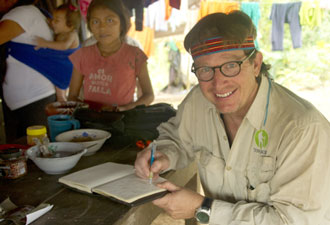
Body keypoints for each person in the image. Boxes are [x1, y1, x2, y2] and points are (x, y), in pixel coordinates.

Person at [134, 11, 330, 224]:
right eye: (205, 70)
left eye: (230, 66)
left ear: (255, 64)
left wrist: (203, 209)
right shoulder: (198, 102)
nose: (218, 83)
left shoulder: (302, 128)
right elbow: (178, 138)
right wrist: (164, 154)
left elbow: (292, 221)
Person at [67, 0, 154, 112]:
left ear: (122, 23)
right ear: (89, 25)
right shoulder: (82, 55)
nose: (102, 27)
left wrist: (122, 109)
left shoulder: (135, 55)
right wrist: (91, 111)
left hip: (124, 121)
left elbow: (149, 95)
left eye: (110, 20)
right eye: (95, 22)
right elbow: (72, 96)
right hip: (91, 122)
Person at [0, 0, 56, 142]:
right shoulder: (27, 12)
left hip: (34, 101)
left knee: (37, 154)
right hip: (28, 102)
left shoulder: (23, 13)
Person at [35, 3, 81, 102]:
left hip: (68, 66)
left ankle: (62, 98)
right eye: (53, 19)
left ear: (70, 25)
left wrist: (46, 43)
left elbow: (64, 46)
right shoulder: (62, 31)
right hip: (62, 64)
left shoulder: (72, 34)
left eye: (57, 20)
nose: (53, 23)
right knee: (57, 79)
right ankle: (62, 97)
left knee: (59, 81)